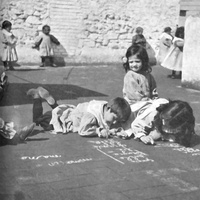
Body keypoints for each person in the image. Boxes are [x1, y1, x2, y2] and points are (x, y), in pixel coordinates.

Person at [27, 87, 131, 138]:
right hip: (61, 121)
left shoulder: (105, 105)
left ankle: (52, 102)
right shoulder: (92, 116)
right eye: (114, 119)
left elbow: (110, 121)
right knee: (37, 121)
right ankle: (36, 97)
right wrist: (99, 131)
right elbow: (83, 131)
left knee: (60, 112)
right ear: (108, 109)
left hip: (72, 113)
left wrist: (118, 130)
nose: (114, 122)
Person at [117, 99, 195, 147]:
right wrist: (143, 136)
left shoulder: (185, 123)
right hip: (134, 114)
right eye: (164, 120)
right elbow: (136, 124)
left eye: (168, 123)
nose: (164, 122)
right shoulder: (152, 114)